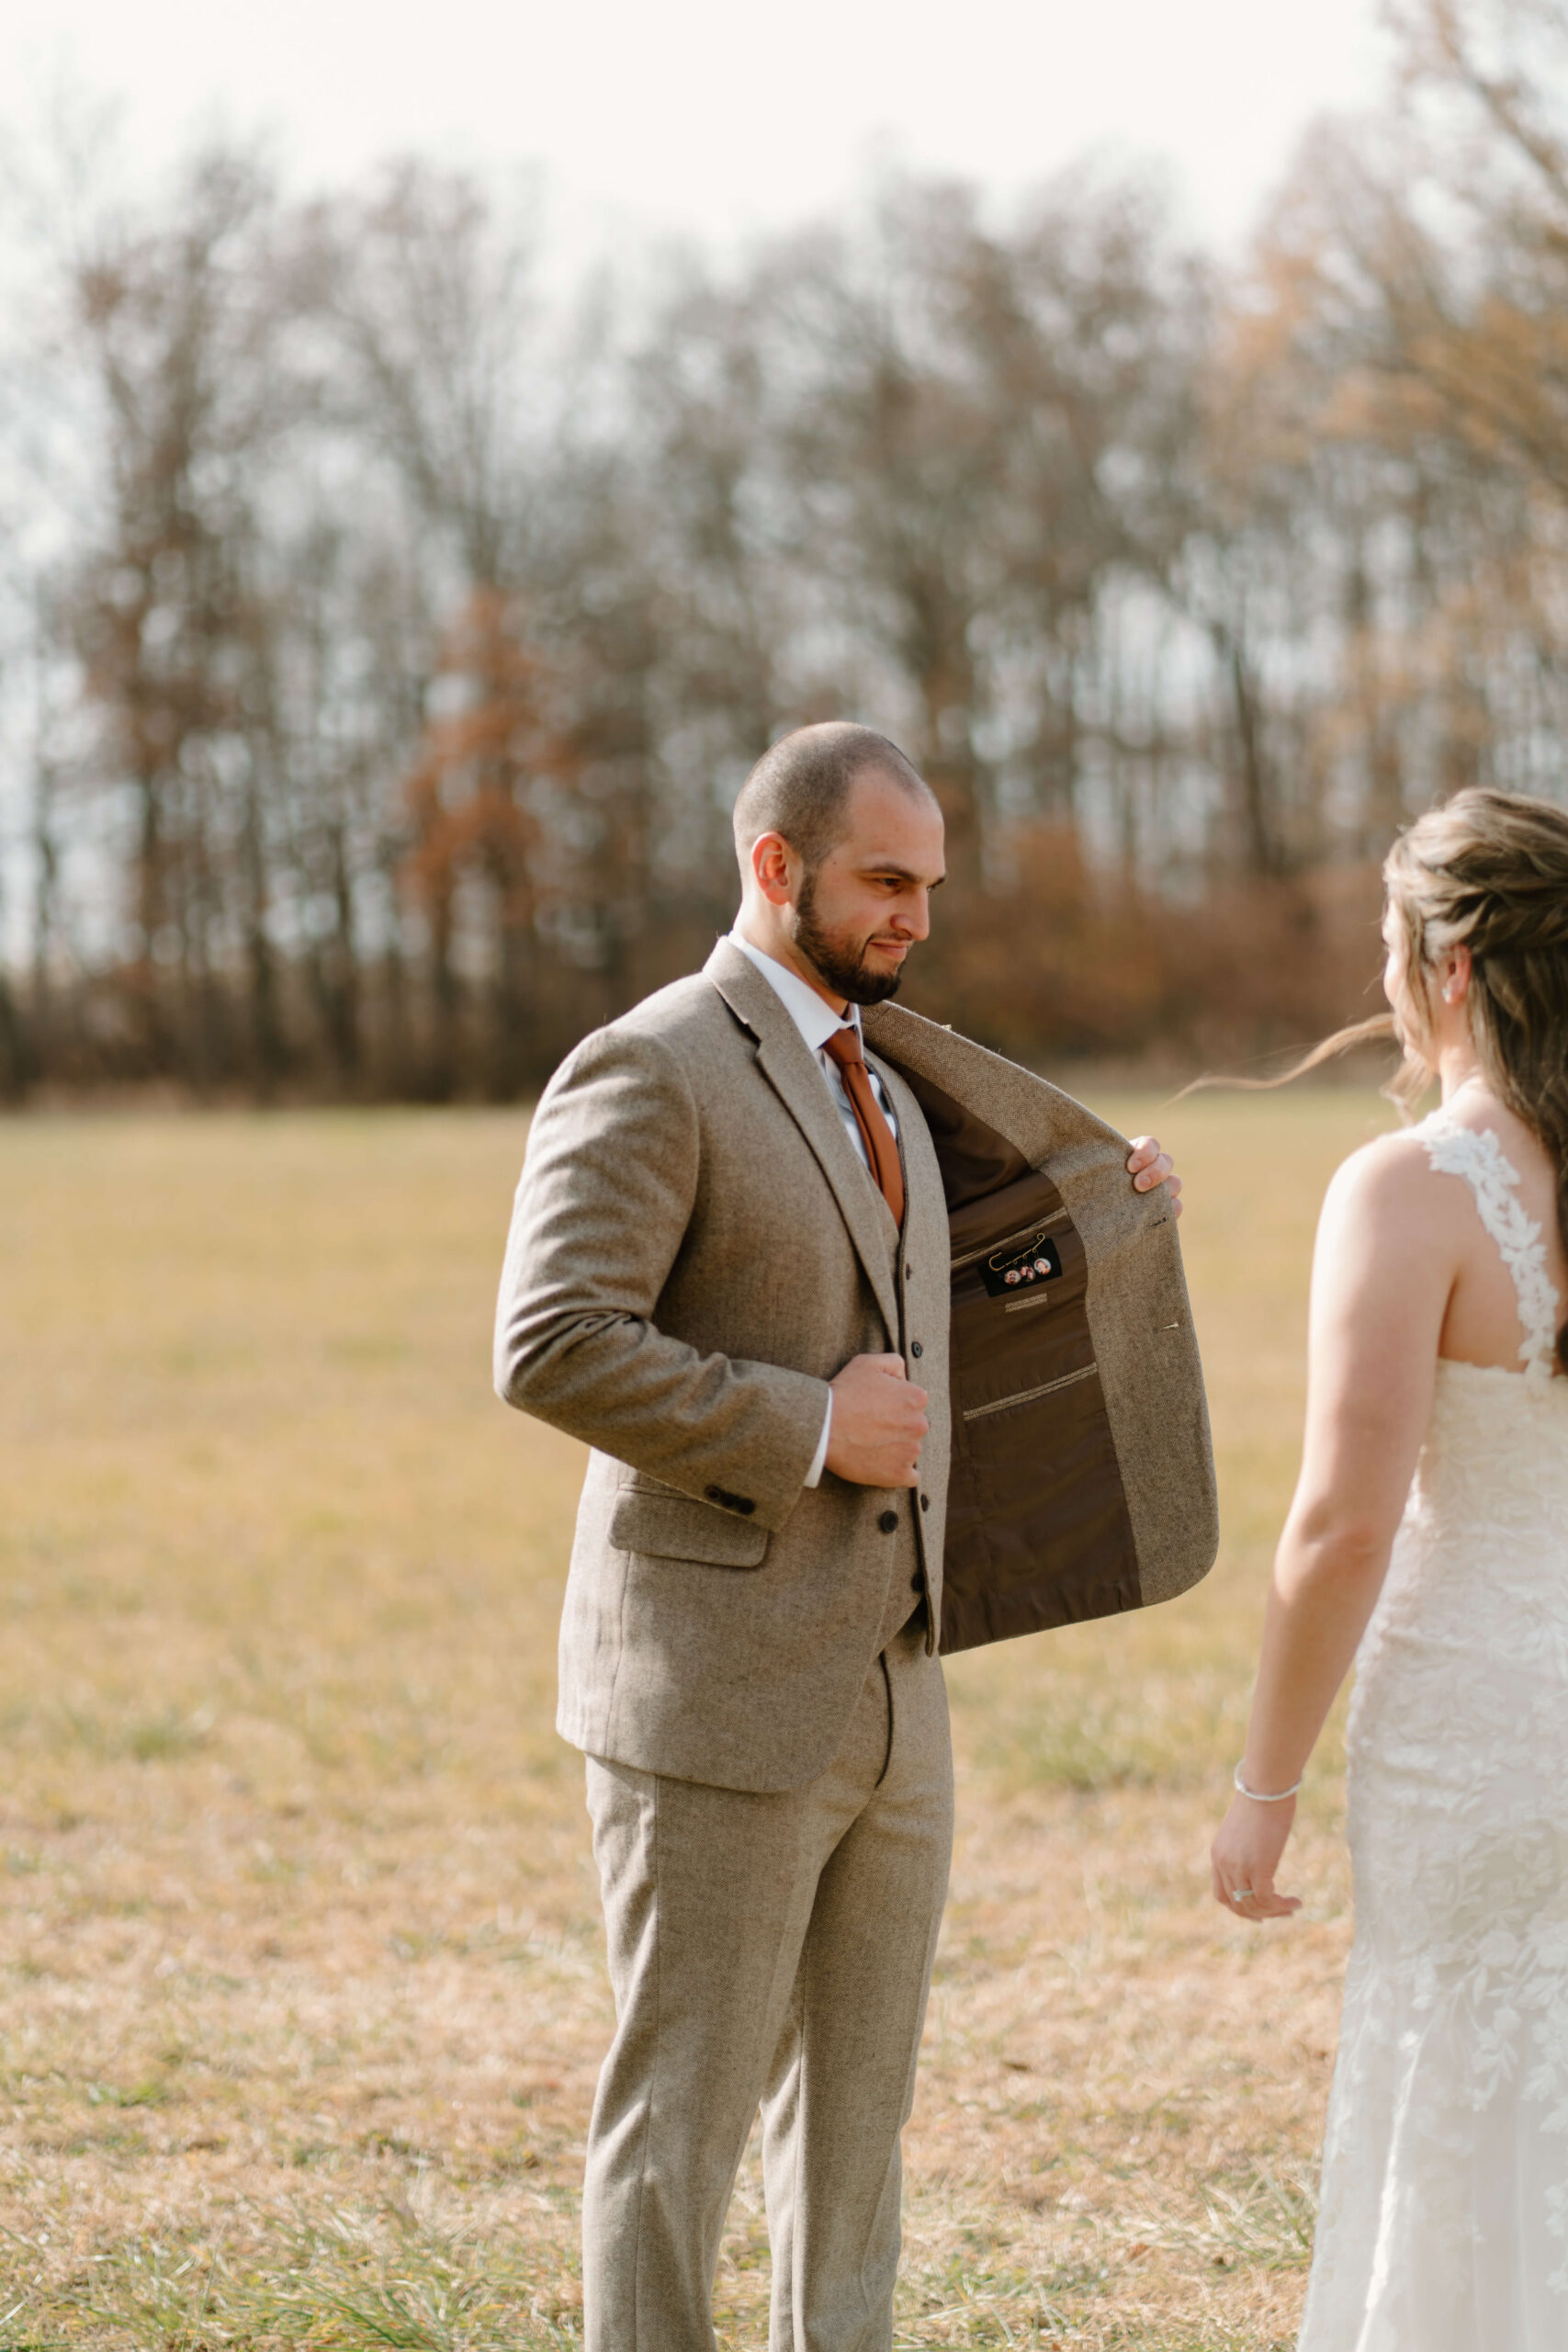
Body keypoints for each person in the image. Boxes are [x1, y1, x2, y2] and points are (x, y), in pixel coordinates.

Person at [495, 720, 1214, 2352]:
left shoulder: (889, 1075)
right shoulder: (653, 1061)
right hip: (715, 1693)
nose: (918, 919)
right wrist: (810, 1427)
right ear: (776, 867)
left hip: (899, 1690)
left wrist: (1112, 1208)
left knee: (858, 2136)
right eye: (886, 881)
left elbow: (936, 1299)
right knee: (678, 2128)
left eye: (931, 886)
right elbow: (549, 1339)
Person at [1210, 787, 1568, 2348]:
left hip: (1481, 1726)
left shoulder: (1414, 1188)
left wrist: (1262, 1782)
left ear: (1455, 964)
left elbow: (1344, 1523)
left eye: (1390, 950)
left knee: (1459, 2066)